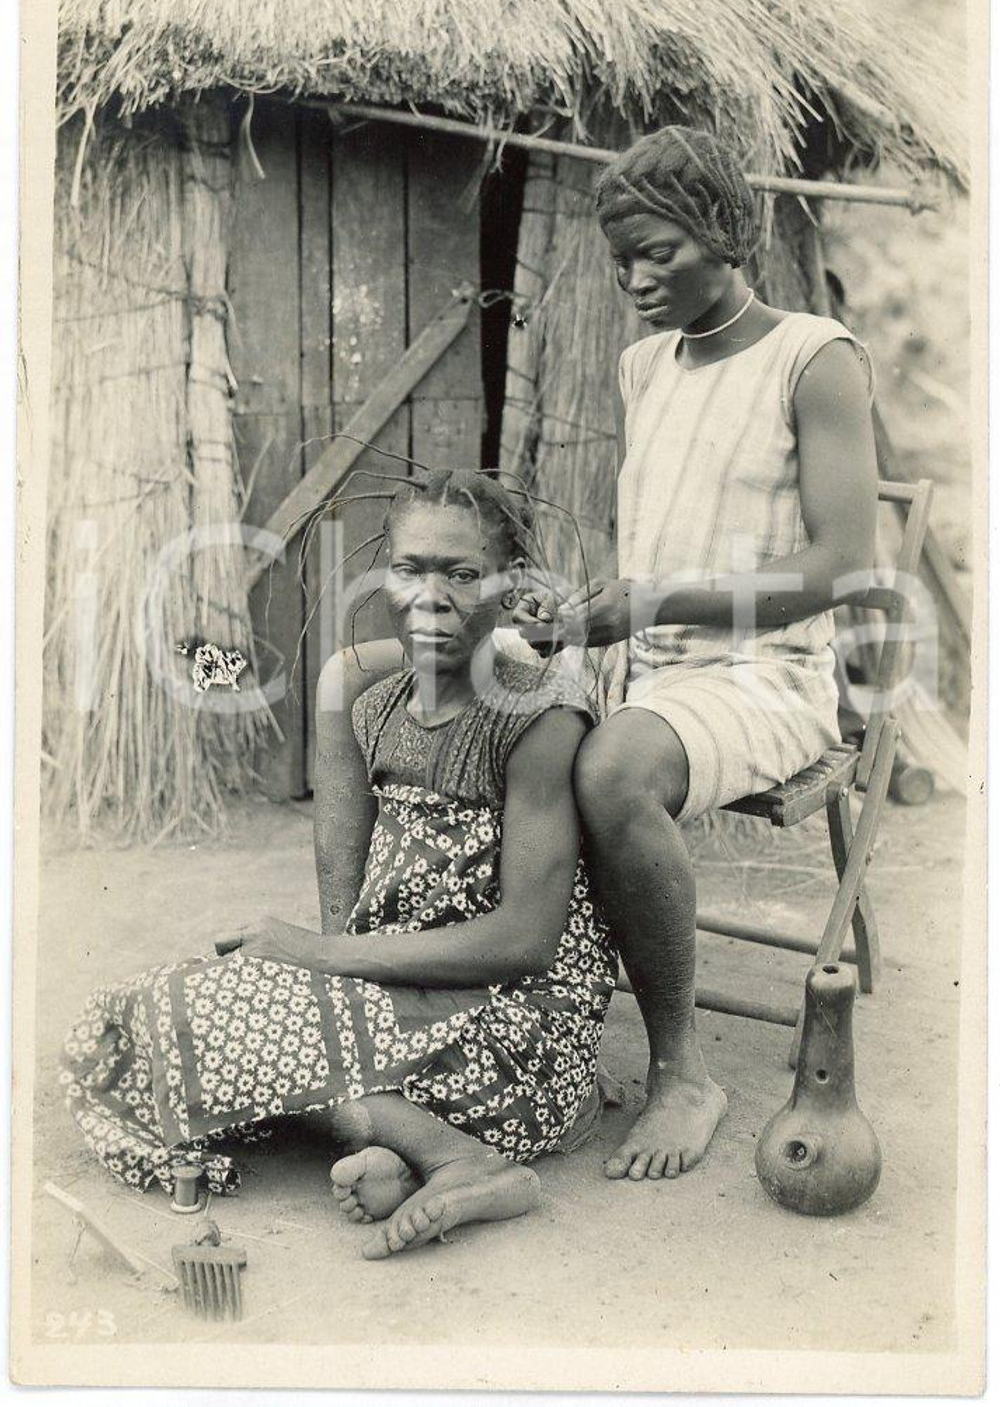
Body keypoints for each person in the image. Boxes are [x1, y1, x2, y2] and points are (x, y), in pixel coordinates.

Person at [61, 471, 616, 1259]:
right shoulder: (375, 710)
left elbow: (526, 940)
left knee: (229, 1030)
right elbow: (361, 911)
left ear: (509, 586)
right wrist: (313, 983)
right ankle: (408, 1146)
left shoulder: (537, 718)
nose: (432, 596)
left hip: (514, 1032)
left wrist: (315, 958)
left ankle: (465, 1157)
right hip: (404, 1005)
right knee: (149, 1010)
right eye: (411, 569)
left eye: (462, 574)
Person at [514, 126, 879, 1183]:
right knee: (464, 706)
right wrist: (586, 609)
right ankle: (509, 1023)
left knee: (612, 767)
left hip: (767, 674)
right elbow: (666, 525)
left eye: (657, 252)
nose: (632, 279)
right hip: (647, 663)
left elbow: (844, 564)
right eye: (618, 257)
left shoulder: (815, 357)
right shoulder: (643, 365)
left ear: (724, 231)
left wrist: (663, 600)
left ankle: (682, 1068)